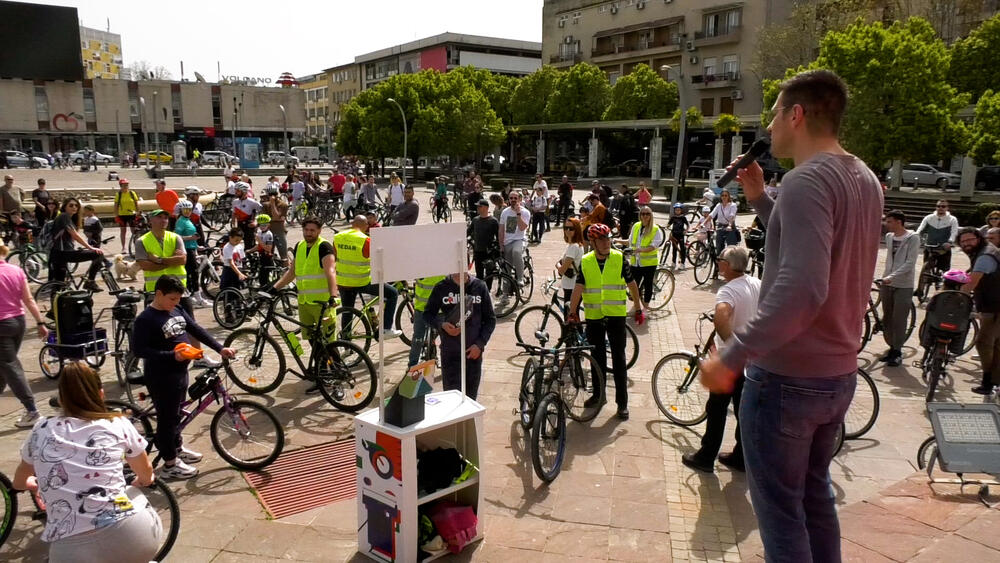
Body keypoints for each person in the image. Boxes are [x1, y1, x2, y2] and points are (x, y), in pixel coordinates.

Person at [699, 69, 883, 563]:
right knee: (814, 498)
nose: (769, 126)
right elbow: (816, 248)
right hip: (837, 375)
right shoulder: (864, 178)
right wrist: (760, 200)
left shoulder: (805, 180)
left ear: (796, 115)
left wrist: (733, 356)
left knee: (781, 517)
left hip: (786, 379)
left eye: (775, 114)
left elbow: (802, 289)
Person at [13, 361, 161, 562]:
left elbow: (19, 481)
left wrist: (30, 483)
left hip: (70, 549)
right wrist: (141, 481)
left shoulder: (41, 428)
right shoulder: (118, 423)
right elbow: (146, 473)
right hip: (134, 536)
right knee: (132, 496)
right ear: (101, 394)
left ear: (61, 399)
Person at [133, 275, 236, 479]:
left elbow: (195, 329)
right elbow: (139, 350)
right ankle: (170, 464)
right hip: (161, 376)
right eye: (172, 299)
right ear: (159, 294)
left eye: (178, 299)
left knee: (178, 414)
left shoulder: (177, 309)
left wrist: (220, 348)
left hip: (180, 372)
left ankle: (177, 448)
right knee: (167, 420)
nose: (175, 303)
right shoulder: (146, 319)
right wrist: (172, 355)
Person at [682, 246, 761, 474]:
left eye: (719, 259)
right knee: (743, 410)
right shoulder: (756, 284)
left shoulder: (728, 290)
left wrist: (734, 348)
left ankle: (706, 456)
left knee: (716, 408)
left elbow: (721, 318)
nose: (717, 262)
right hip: (753, 360)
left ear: (727, 265)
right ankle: (740, 456)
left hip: (731, 361)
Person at [568, 224, 645, 420]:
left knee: (619, 359)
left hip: (616, 316)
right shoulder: (586, 261)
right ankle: (598, 395)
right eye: (601, 239)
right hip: (594, 316)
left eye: (608, 238)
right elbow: (579, 287)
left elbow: (632, 284)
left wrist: (638, 307)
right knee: (597, 358)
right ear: (593, 243)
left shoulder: (619, 259)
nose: (606, 242)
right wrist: (572, 312)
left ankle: (622, 403)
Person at [135, 209, 217, 367]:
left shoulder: (175, 237)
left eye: (166, 217)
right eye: (159, 217)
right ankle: (159, 359)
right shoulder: (142, 241)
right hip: (156, 292)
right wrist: (171, 259)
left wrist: (158, 260)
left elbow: (182, 260)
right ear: (151, 220)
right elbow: (144, 265)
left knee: (190, 324)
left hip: (180, 291)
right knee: (156, 327)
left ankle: (198, 357)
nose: (164, 220)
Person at [272, 216, 341, 375]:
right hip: (304, 302)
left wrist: (333, 295)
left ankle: (338, 373)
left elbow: (331, 272)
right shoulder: (300, 246)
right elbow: (292, 273)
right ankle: (322, 372)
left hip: (323, 303)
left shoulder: (324, 247)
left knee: (329, 342)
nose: (308, 233)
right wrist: (274, 288)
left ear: (319, 231)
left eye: (312, 230)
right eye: (306, 230)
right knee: (312, 339)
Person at [422, 271, 496, 399]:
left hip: (472, 353)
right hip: (450, 354)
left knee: (470, 399)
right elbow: (427, 315)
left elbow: (490, 320)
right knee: (452, 399)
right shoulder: (441, 287)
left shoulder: (480, 287)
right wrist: (442, 325)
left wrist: (479, 344)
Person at [0, 244, 48, 427]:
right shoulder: (16, 270)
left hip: (2, 325)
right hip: (18, 322)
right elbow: (28, 299)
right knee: (5, 364)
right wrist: (40, 322)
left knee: (10, 366)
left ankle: (32, 410)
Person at [333, 215, 401, 338]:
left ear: (352, 224)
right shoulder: (365, 240)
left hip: (343, 282)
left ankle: (346, 340)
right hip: (361, 281)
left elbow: (336, 255)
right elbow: (378, 260)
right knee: (393, 293)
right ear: (365, 226)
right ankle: (386, 329)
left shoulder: (338, 237)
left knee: (347, 310)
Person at [957, 227, 1000, 395]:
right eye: (963, 242)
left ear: (979, 239)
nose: (966, 244)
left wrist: (957, 299)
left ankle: (988, 381)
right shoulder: (984, 252)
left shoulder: (985, 256)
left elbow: (972, 283)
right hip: (992, 304)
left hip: (995, 306)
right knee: (996, 344)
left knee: (983, 343)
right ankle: (993, 381)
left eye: (970, 240)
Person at [879, 210, 919, 367]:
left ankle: (897, 351)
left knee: (899, 318)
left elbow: (910, 262)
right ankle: (891, 347)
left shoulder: (913, 238)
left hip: (903, 284)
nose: (886, 224)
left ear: (898, 222)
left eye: (889, 221)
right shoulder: (889, 237)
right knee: (887, 317)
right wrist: (886, 276)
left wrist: (893, 276)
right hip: (887, 282)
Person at [48, 198, 105, 291]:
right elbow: (74, 235)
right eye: (71, 205)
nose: (74, 207)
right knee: (98, 254)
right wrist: (90, 247)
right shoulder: (64, 216)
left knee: (59, 286)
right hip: (64, 253)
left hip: (57, 254)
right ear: (65, 207)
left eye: (76, 205)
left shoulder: (68, 218)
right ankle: (90, 282)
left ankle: (57, 300)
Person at [622, 206, 663, 310]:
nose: (645, 216)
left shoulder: (655, 229)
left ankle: (646, 306)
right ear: (640, 215)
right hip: (636, 262)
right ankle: (636, 304)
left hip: (649, 263)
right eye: (643, 214)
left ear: (651, 215)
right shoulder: (636, 226)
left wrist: (640, 250)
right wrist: (616, 241)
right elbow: (630, 241)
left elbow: (654, 246)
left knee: (648, 284)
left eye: (647, 214)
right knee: (634, 285)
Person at [407, 273, 447, 368]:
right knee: (445, 337)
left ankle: (412, 366)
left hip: (422, 307)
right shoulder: (444, 268)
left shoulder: (420, 267)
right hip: (439, 309)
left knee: (418, 338)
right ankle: (447, 364)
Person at [173, 200, 205, 307]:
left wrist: (197, 246)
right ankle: (196, 296)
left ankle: (192, 295)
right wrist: (191, 238)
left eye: (189, 210)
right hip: (186, 250)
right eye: (185, 210)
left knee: (192, 273)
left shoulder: (188, 220)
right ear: (181, 210)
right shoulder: (181, 221)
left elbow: (192, 236)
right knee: (193, 273)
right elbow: (176, 237)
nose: (188, 212)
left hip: (191, 248)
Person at [498, 191, 531, 293]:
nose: (513, 200)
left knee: (516, 252)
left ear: (519, 199)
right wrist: (501, 245)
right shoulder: (505, 212)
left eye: (515, 198)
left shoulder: (525, 212)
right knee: (506, 270)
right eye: (511, 198)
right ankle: (505, 293)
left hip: (519, 239)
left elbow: (522, 228)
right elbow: (501, 229)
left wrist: (518, 214)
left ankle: (520, 278)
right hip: (507, 241)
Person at [915, 199, 959, 273]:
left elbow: (954, 232)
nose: (940, 208)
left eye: (943, 206)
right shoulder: (929, 218)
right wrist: (916, 236)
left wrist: (950, 241)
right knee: (925, 268)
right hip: (929, 246)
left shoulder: (952, 219)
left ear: (947, 208)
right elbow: (920, 229)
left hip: (944, 247)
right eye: (938, 206)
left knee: (944, 270)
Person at [558, 217, 584, 316]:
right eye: (565, 228)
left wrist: (557, 265)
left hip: (571, 286)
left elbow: (562, 270)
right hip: (572, 285)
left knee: (569, 316)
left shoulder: (573, 247)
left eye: (571, 228)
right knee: (573, 315)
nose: (567, 231)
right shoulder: (574, 245)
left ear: (577, 230)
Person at [469, 199, 500, 280]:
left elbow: (498, 236)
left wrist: (498, 249)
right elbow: (467, 232)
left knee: (489, 274)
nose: (478, 208)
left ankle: (488, 288)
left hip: (489, 252)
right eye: (477, 206)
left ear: (486, 208)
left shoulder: (493, 221)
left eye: (480, 206)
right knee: (479, 275)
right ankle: (480, 288)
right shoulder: (475, 220)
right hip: (478, 251)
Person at [261, 184, 288, 265]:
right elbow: (264, 220)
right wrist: (276, 219)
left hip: (279, 231)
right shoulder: (265, 205)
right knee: (268, 254)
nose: (272, 196)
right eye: (270, 195)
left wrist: (273, 204)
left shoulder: (283, 205)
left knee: (283, 254)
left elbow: (277, 217)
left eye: (274, 194)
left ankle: (286, 267)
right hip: (268, 232)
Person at [114, 178, 140, 252]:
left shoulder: (132, 193)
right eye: (124, 185)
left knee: (134, 231)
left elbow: (136, 204)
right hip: (122, 215)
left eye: (127, 185)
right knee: (123, 231)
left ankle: (137, 247)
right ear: (120, 186)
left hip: (132, 214)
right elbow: (116, 206)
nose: (126, 186)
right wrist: (116, 216)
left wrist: (138, 213)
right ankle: (123, 248)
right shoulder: (118, 194)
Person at [710, 189, 739, 256]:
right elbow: (712, 215)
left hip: (730, 227)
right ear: (720, 197)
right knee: (719, 246)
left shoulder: (733, 205)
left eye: (726, 195)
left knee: (731, 248)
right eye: (722, 195)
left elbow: (732, 216)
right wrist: (703, 223)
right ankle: (719, 260)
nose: (724, 197)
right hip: (720, 226)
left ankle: (731, 260)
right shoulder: (718, 205)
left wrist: (729, 225)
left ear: (728, 196)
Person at [667, 203, 690, 269]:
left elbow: (688, 225)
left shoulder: (683, 218)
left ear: (681, 210)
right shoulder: (673, 217)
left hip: (681, 235)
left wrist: (686, 230)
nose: (677, 211)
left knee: (682, 249)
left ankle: (682, 263)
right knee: (674, 249)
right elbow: (669, 224)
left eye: (679, 210)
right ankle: (673, 262)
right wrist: (667, 226)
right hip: (674, 235)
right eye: (676, 210)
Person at [255, 214, 275, 287]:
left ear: (268, 225)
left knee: (264, 278)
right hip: (261, 256)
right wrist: (249, 250)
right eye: (260, 225)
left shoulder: (269, 234)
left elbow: (268, 248)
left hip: (267, 258)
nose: (262, 227)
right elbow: (259, 246)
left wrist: (259, 241)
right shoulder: (260, 233)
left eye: (264, 225)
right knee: (261, 276)